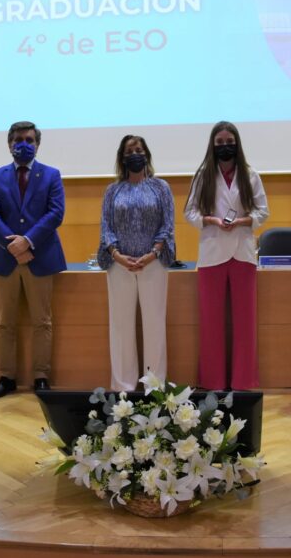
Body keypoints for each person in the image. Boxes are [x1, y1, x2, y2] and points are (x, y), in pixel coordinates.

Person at [0, 121, 66, 398]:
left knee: (42, 321)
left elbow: (55, 213)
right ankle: (6, 377)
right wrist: (15, 246)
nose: (24, 144)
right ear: (9, 144)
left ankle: (41, 376)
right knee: (3, 322)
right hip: (5, 260)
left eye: (29, 140)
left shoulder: (52, 175)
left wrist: (27, 241)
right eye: (18, 139)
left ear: (37, 144)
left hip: (40, 257)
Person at [185, 121, 269, 390]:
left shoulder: (250, 174)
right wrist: (210, 220)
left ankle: (243, 381)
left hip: (243, 254)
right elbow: (190, 212)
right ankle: (213, 382)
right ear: (212, 145)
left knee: (245, 323)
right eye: (219, 142)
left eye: (228, 142)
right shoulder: (203, 175)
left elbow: (262, 211)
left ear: (237, 143)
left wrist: (245, 221)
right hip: (212, 253)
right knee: (211, 322)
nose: (224, 146)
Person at [97, 135, 176, 391]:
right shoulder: (113, 191)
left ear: (147, 155)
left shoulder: (160, 187)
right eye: (130, 150)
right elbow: (106, 226)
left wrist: (153, 252)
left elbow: (167, 224)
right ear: (122, 157)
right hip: (119, 265)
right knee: (121, 327)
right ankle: (123, 388)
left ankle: (155, 387)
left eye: (139, 149)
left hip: (153, 264)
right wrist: (117, 254)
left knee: (154, 325)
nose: (135, 154)